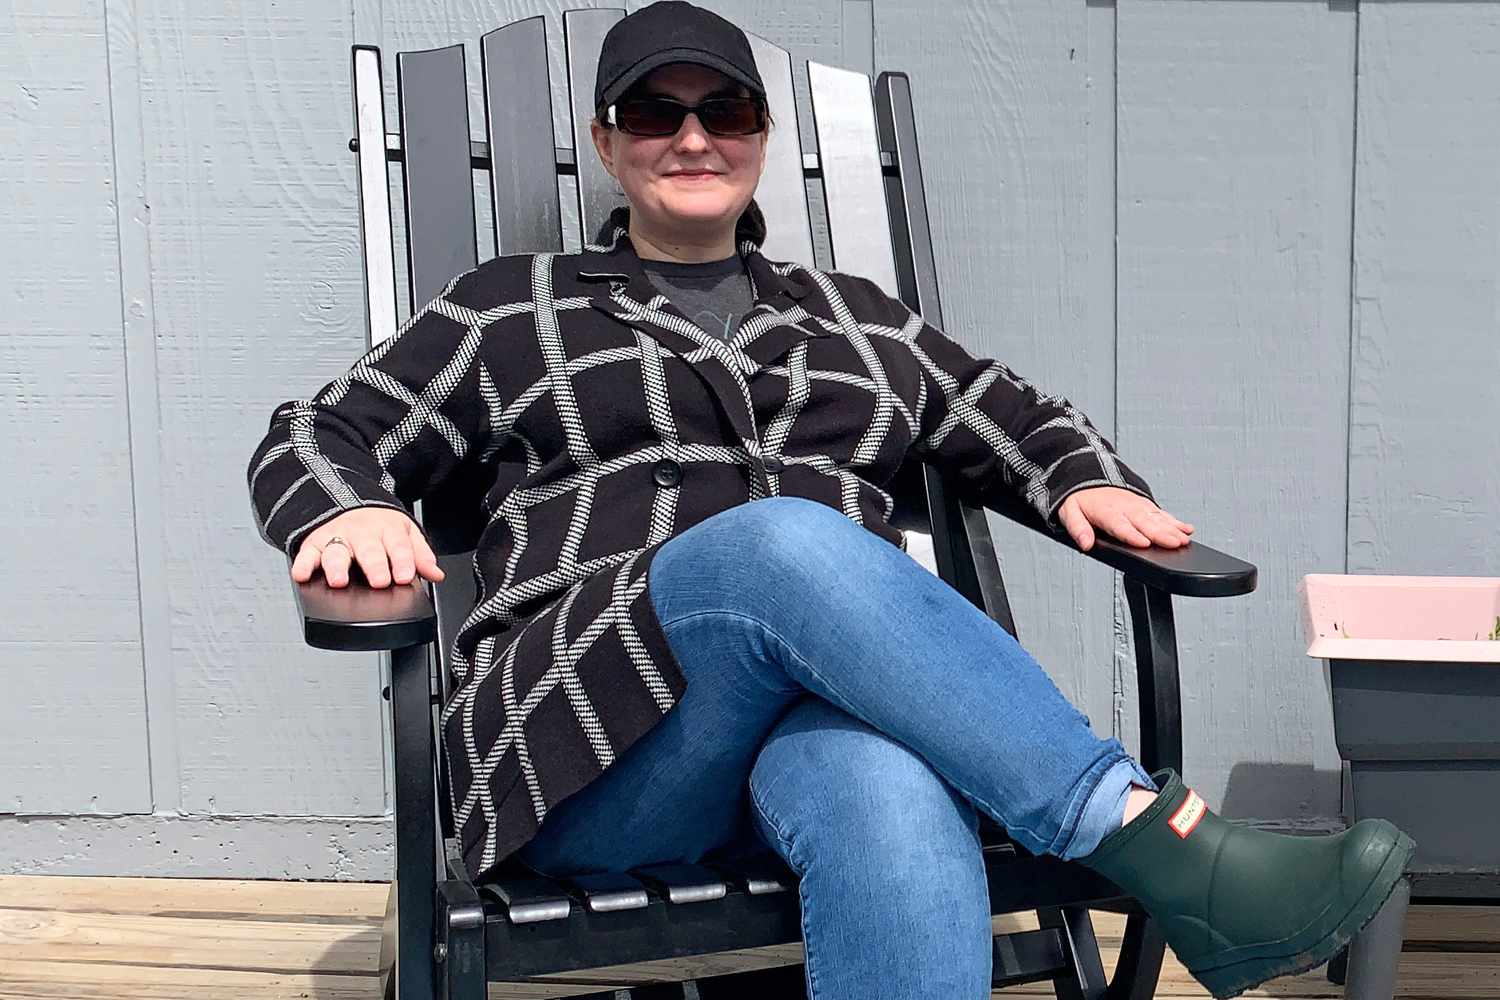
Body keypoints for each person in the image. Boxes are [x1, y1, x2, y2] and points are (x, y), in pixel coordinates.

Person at [246, 3, 1414, 997]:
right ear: (608, 145)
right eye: (657, 113)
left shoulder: (860, 315)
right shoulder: (513, 308)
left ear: (759, 135)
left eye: (727, 112)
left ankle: (1157, 849)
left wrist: (1085, 475)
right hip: (593, 746)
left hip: (805, 731)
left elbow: (1015, 412)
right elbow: (312, 431)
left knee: (892, 786)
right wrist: (340, 506)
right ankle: (1156, 840)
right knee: (774, 546)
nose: (694, 137)